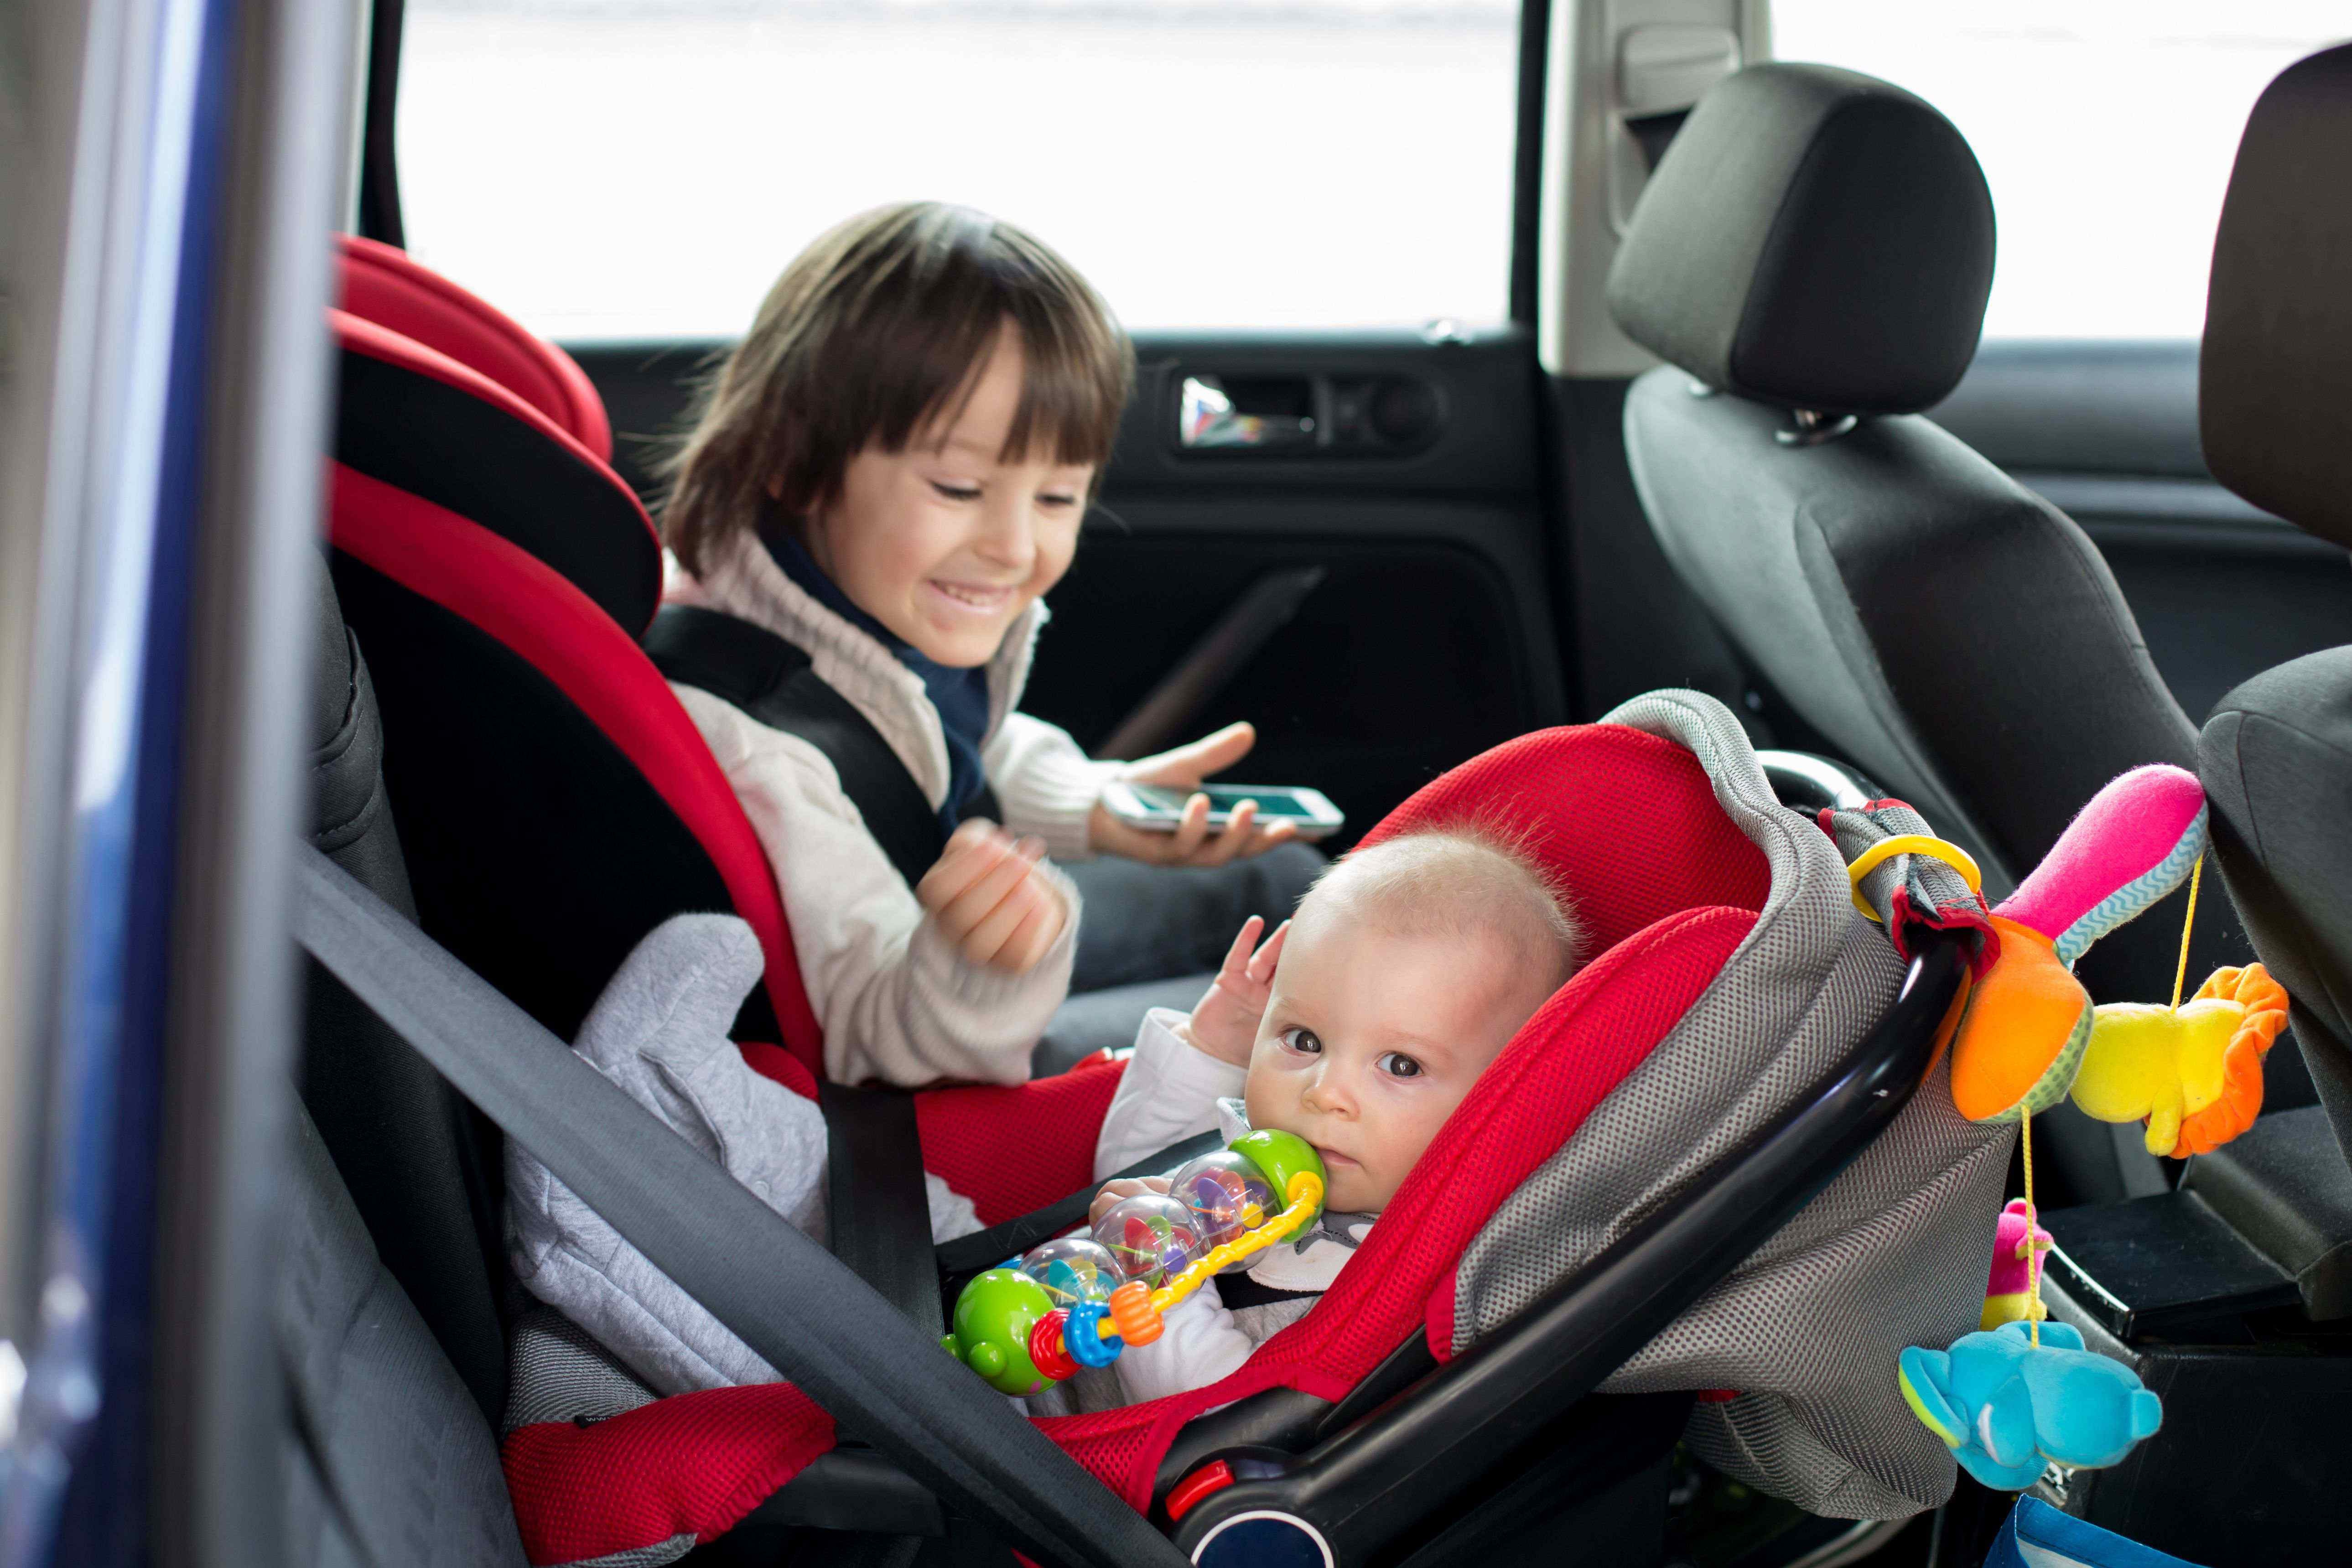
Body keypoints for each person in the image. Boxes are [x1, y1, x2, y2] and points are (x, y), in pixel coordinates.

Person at [659, 201, 1318, 1090]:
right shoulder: (761, 745)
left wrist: (1092, 805)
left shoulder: (851, 605)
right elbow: (872, 1046)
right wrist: (979, 971)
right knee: (1317, 1024)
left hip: (957, 946)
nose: (1014, 547)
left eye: (1056, 498)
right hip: (943, 1049)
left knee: (1285, 882)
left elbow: (932, 741)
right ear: (793, 458)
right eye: (959, 488)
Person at [1072, 829, 1586, 1408]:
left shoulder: (1388, 1285)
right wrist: (1210, 1048)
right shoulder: (1254, 1152)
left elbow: (1224, 1416)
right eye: (1304, 1039)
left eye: (1401, 1065)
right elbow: (1120, 1181)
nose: (1324, 1093)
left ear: (1498, 1105)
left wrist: (1159, 1277)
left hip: (1054, 1447)